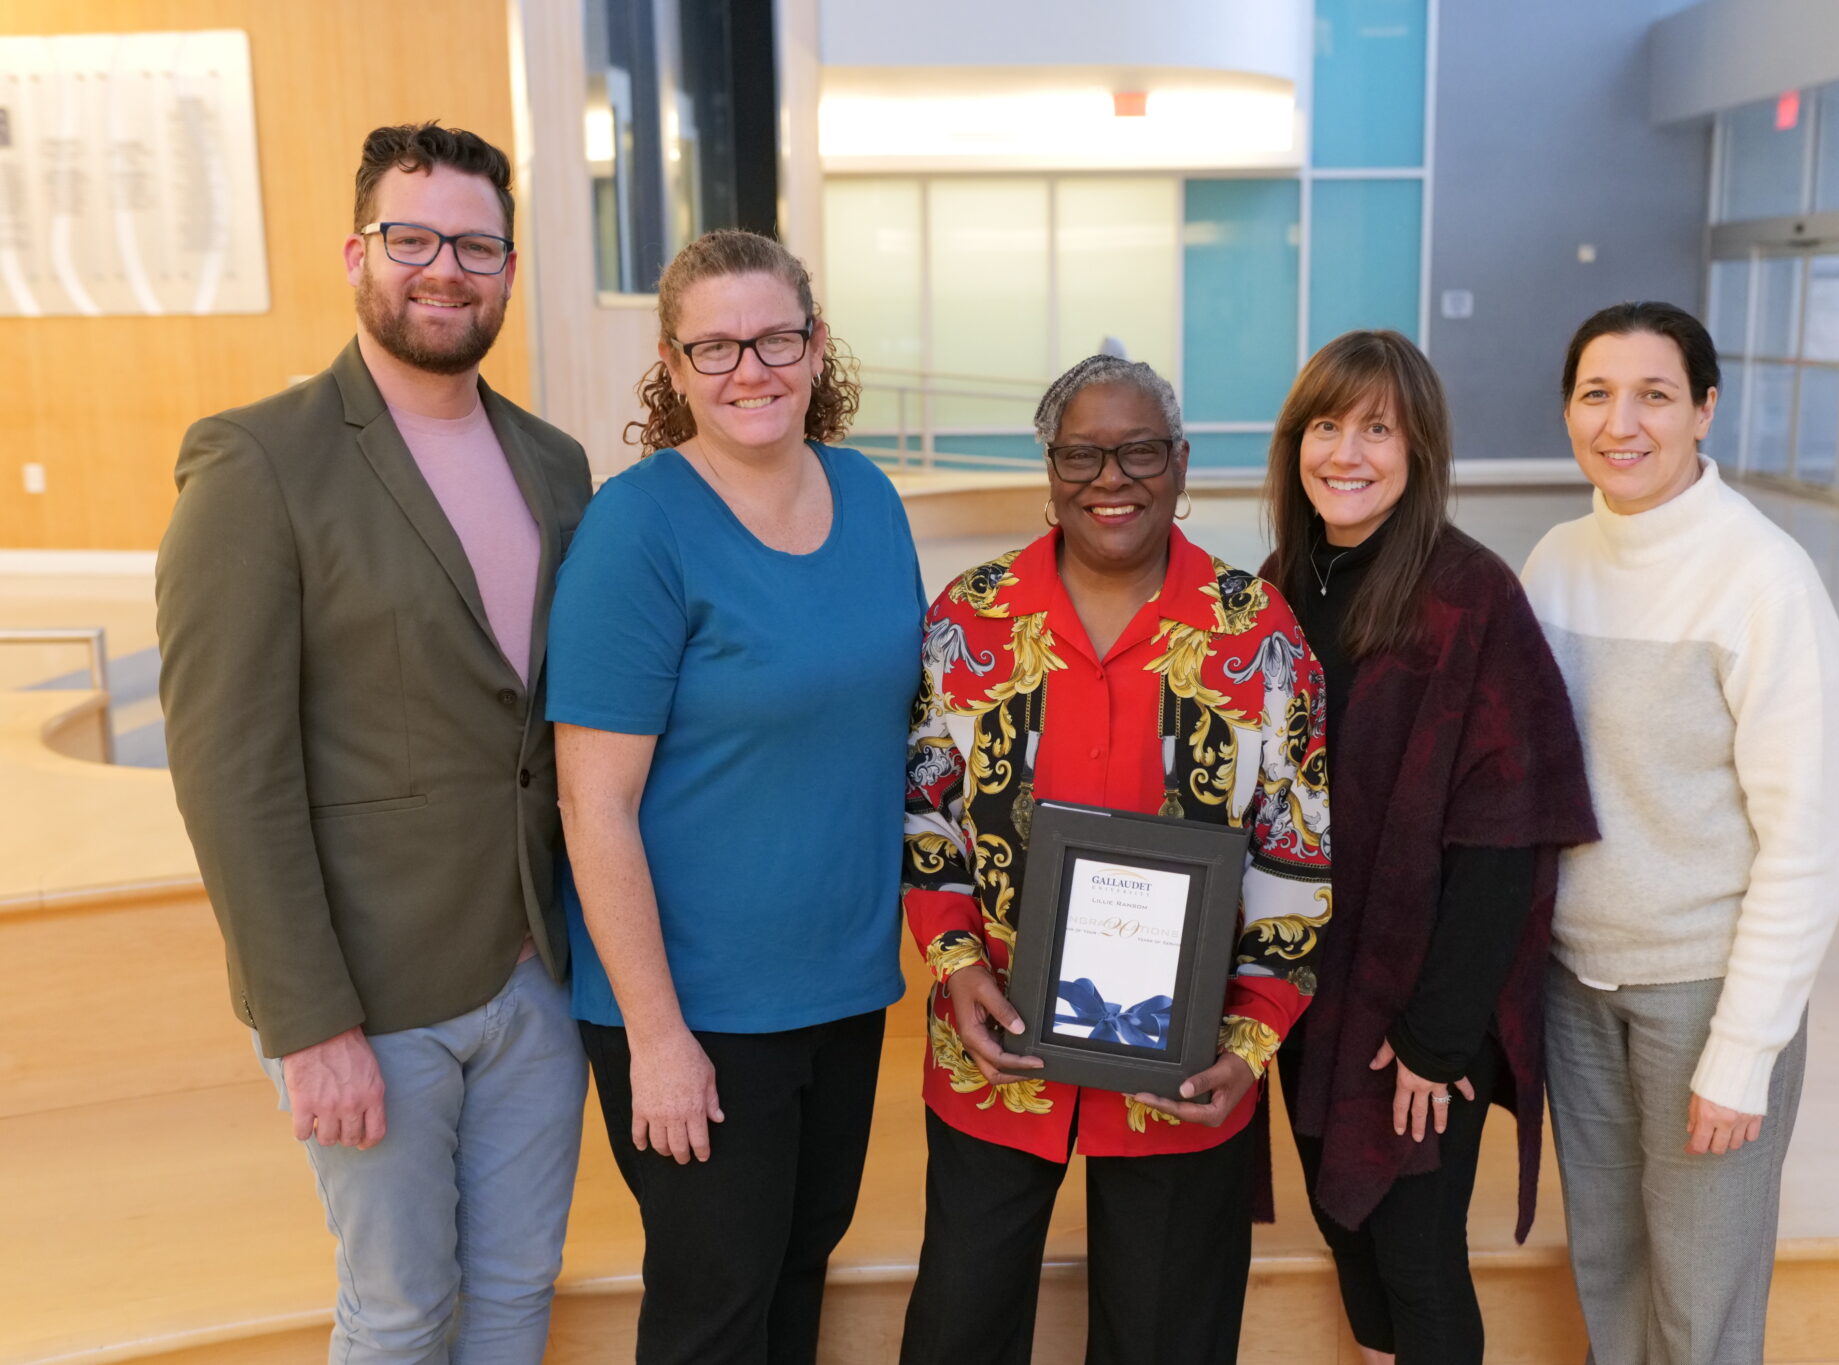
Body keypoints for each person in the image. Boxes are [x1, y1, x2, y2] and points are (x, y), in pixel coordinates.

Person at [156, 123, 592, 1364]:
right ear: (358, 253)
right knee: (398, 1313)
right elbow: (231, 775)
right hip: (371, 996)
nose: (442, 269)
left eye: (475, 244)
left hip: (535, 969)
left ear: (508, 268)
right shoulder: (257, 461)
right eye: (412, 239)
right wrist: (308, 1024)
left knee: (516, 1293)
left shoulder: (555, 467)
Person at [898, 354, 1333, 1365]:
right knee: (957, 1328)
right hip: (994, 1048)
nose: (1111, 478)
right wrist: (956, 970)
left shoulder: (1255, 632)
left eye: (1138, 452)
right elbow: (926, 822)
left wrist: (1252, 1038)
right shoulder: (970, 619)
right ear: (1048, 470)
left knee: (1163, 1341)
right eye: (1082, 454)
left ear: (1179, 465)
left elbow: (1295, 850)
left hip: (1183, 1066)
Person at [546, 228, 923, 1365]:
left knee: (796, 1276)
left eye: (773, 338)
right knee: (715, 1311)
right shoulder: (637, 528)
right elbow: (590, 804)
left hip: (842, 990)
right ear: (670, 366)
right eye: (714, 347)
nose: (748, 369)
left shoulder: (866, 494)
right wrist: (657, 1039)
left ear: (815, 349)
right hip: (696, 1011)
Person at [1521, 301, 1839, 1364]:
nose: (1621, 422)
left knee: (1699, 1308)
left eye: (1654, 395)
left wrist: (1743, 1049)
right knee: (1609, 1273)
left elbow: (1803, 844)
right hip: (1575, 983)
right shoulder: (1556, 560)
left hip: (1703, 992)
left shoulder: (1761, 579)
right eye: (1594, 394)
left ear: (1704, 409)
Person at [1268, 331, 1599, 1365]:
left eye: (1378, 429)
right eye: (1326, 426)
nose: (1346, 452)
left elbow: (1505, 833)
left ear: (1419, 454)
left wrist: (1437, 1036)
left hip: (1416, 1006)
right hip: (1307, 986)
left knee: (1413, 1253)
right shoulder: (1283, 580)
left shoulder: (1470, 598)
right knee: (1347, 1238)